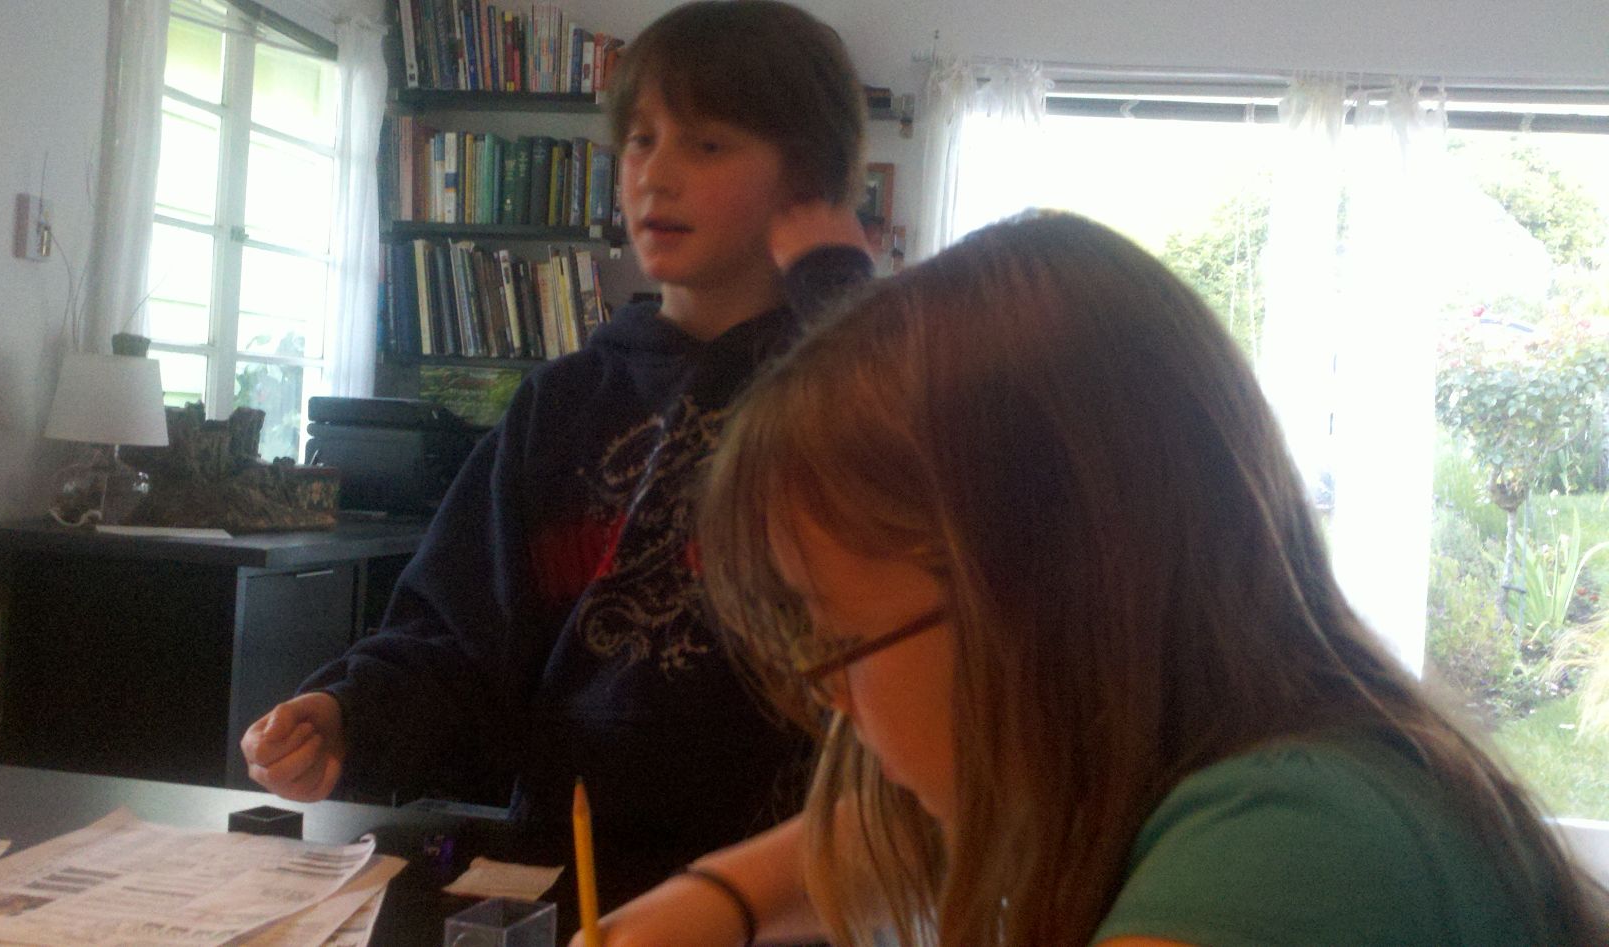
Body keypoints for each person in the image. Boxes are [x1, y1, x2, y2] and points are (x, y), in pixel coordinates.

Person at [582, 212, 1609, 946]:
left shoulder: (1299, 845)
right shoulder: (1243, 764)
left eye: (839, 637)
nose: (834, 697)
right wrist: (715, 900)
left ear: (1033, 600)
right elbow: (883, 828)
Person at [240, 0, 874, 856]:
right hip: (569, 864)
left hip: (803, 877)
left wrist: (835, 289)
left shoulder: (850, 392)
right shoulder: (562, 403)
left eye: (707, 144)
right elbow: (460, 636)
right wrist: (350, 714)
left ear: (809, 180)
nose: (655, 174)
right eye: (640, 140)